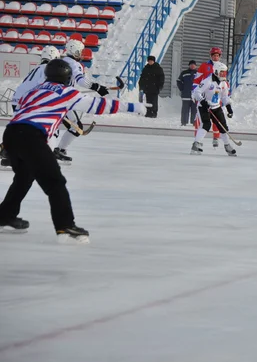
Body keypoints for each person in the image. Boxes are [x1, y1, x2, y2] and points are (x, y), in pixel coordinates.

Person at [0, 59, 147, 243]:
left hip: (11, 134)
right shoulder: (67, 93)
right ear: (67, 77)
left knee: (23, 178)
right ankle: (65, 226)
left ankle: (5, 216)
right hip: (31, 136)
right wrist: (134, 107)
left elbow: (24, 107)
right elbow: (100, 106)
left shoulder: (34, 91)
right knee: (55, 182)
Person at [54, 39, 117, 163]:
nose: (81, 54)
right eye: (79, 51)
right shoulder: (74, 64)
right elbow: (81, 80)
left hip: (50, 97)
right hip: (64, 99)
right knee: (76, 127)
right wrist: (97, 87)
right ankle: (59, 150)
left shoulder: (59, 61)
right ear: (74, 51)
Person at [1, 46, 61, 168]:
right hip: (27, 102)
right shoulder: (47, 70)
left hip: (18, 100)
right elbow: (44, 88)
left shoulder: (36, 69)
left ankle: (8, 152)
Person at [190, 62, 236, 156]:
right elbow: (196, 92)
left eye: (225, 72)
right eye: (221, 72)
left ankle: (227, 146)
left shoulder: (224, 83)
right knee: (206, 124)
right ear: (216, 71)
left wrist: (229, 107)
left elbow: (224, 96)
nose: (223, 74)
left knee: (223, 126)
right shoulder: (207, 81)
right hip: (204, 107)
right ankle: (196, 144)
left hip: (216, 107)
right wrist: (203, 101)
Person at [194, 47, 224, 147]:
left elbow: (224, 82)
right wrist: (194, 93)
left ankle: (216, 138)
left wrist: (225, 95)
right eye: (214, 55)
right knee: (201, 120)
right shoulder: (204, 66)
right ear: (211, 56)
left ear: (220, 56)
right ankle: (198, 140)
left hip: (216, 97)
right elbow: (197, 80)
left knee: (217, 119)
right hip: (204, 97)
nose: (216, 57)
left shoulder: (222, 67)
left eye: (217, 55)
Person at [177, 60, 197, 126]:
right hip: (186, 95)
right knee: (185, 110)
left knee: (195, 110)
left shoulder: (198, 73)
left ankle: (194, 122)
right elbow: (179, 81)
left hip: (195, 96)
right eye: (191, 64)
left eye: (194, 64)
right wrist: (183, 89)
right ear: (189, 65)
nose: (192, 66)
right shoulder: (184, 73)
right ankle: (183, 122)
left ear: (195, 66)